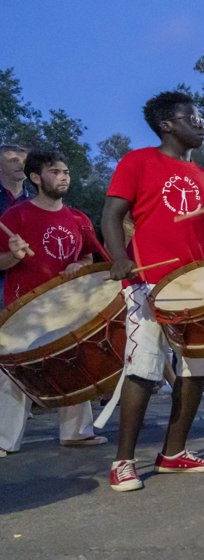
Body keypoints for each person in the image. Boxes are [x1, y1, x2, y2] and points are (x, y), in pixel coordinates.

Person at [100, 91, 204, 493]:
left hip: (195, 286)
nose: (201, 124)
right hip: (149, 282)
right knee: (144, 369)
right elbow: (112, 213)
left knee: (197, 369)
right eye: (192, 117)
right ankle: (124, 461)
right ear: (168, 124)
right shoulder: (138, 161)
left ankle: (173, 453)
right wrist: (118, 257)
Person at [0, 150, 110, 456]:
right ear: (35, 178)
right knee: (14, 373)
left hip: (68, 305)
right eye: (55, 172)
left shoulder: (78, 218)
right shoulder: (15, 217)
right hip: (24, 309)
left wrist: (80, 265)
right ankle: (3, 439)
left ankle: (76, 432)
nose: (63, 177)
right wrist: (13, 256)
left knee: (73, 364)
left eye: (66, 172)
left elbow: (89, 254)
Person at [0, 144, 34, 306]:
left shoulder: (38, 201)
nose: (21, 165)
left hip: (29, 279)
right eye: (14, 160)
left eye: (24, 161)